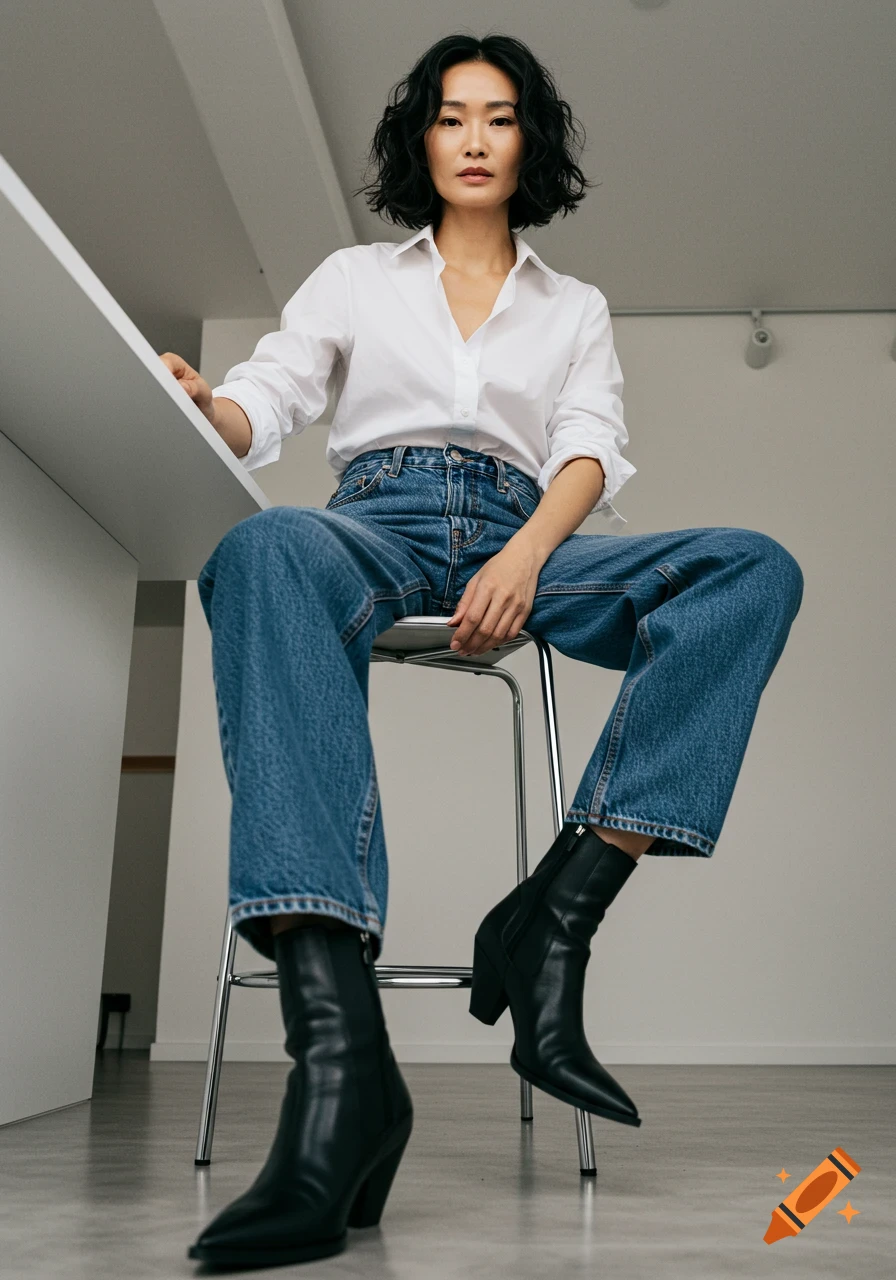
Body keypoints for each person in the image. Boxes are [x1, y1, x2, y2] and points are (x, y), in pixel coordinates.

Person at [161, 32, 804, 1270]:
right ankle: (341, 1074)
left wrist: (521, 559)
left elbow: (587, 448)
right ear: (421, 138)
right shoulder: (355, 276)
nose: (469, 137)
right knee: (261, 550)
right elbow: (273, 392)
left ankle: (553, 913)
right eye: (448, 116)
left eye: (496, 117)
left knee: (749, 569)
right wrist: (213, 408)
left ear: (527, 144)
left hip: (532, 529)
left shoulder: (572, 307)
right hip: (377, 520)